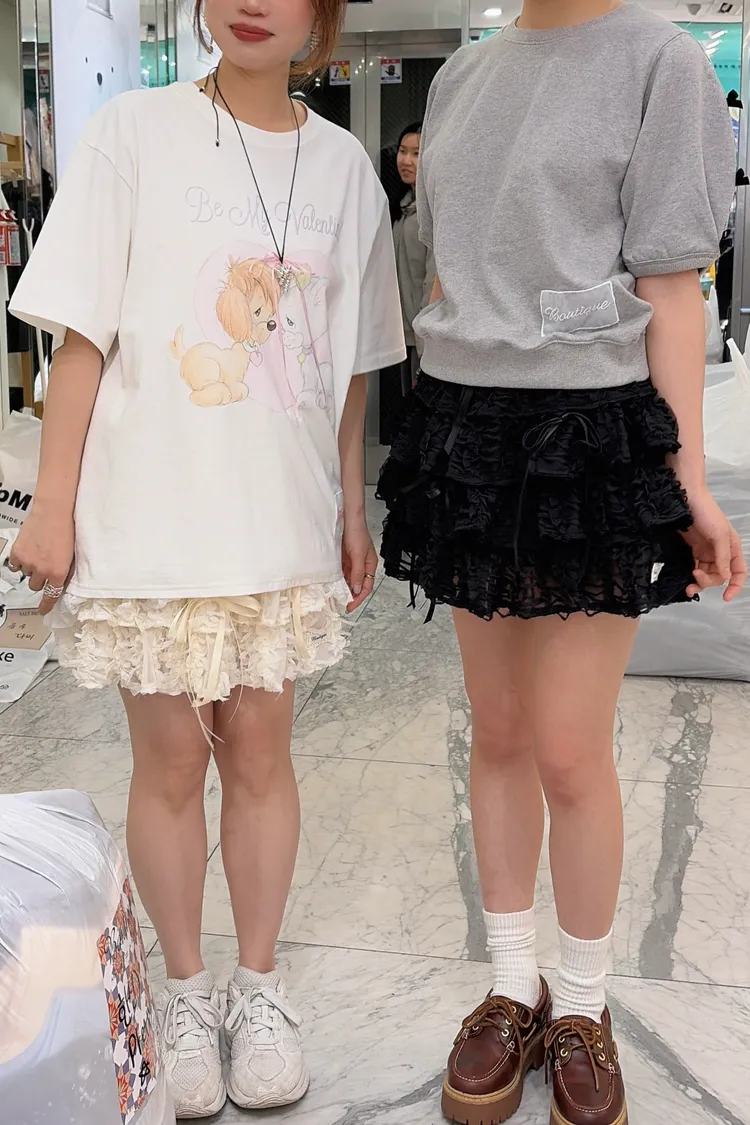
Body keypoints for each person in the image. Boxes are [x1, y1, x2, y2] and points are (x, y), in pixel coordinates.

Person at [8, 0, 405, 1117]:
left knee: (264, 755)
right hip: (151, 515)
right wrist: (53, 503)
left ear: (320, 13)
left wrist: (351, 507)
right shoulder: (133, 133)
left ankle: (259, 989)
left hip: (278, 518)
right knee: (172, 761)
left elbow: (348, 366)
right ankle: (186, 992)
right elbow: (82, 337)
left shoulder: (345, 171)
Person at [377, 3, 746, 1124]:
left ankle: (583, 1004)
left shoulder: (661, 61)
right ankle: (512, 987)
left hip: (590, 431)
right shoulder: (462, 78)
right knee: (494, 734)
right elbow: (449, 270)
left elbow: (673, 286)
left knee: (571, 749)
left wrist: (685, 478)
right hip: (467, 427)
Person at [391, 122, 435, 393]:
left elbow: (432, 280)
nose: (406, 161)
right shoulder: (402, 207)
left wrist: (424, 338)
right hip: (402, 334)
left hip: (425, 338)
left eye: (417, 153)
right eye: (402, 151)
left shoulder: (431, 211)